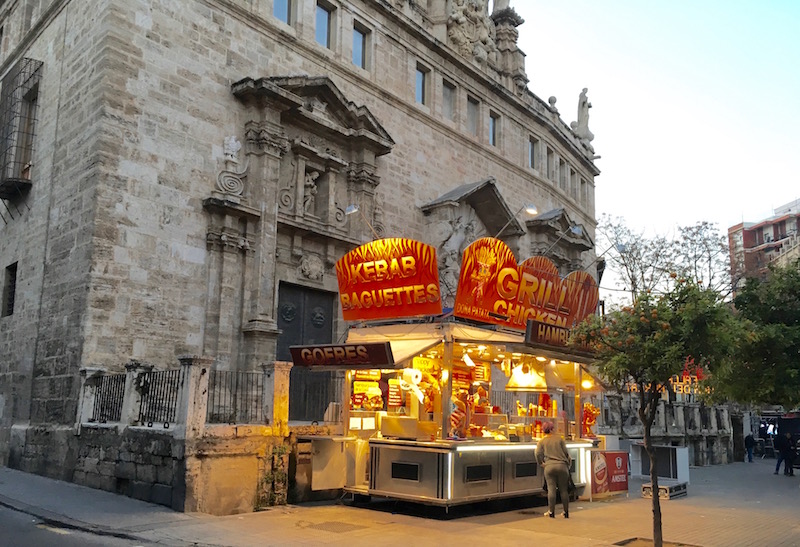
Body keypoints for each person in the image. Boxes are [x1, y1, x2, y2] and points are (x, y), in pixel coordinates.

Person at [535, 421, 572, 518]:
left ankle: (551, 512)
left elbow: (537, 453)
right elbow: (566, 453)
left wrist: (541, 463)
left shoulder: (542, 441)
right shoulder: (560, 439)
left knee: (551, 490)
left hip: (549, 466)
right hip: (562, 466)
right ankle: (566, 512)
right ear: (552, 429)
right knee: (564, 490)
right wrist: (568, 464)